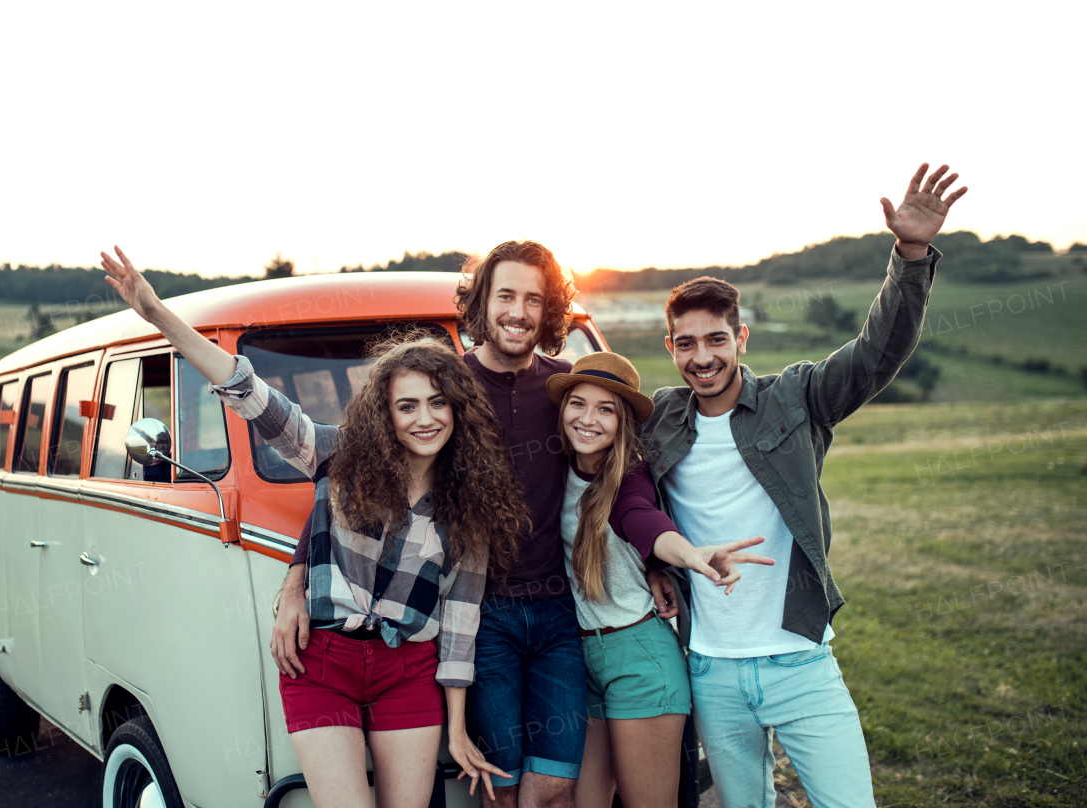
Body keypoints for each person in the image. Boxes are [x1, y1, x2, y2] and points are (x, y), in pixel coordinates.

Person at [98, 247, 525, 806]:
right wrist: (156, 313)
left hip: (408, 669)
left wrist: (459, 727)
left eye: (438, 403)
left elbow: (461, 623)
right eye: (408, 406)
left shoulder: (470, 503)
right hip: (322, 660)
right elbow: (251, 395)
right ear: (385, 412)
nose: (425, 419)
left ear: (457, 409)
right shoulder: (338, 455)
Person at [640, 163, 969, 808]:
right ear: (671, 348)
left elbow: (879, 351)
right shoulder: (661, 421)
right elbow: (619, 499)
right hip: (710, 667)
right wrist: (653, 565)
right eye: (686, 344)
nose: (702, 357)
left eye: (716, 339)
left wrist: (909, 255)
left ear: (741, 337)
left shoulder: (796, 398)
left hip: (800, 659)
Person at [275, 240, 588, 807]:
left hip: (552, 608)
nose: (518, 311)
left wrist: (662, 556)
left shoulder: (568, 388)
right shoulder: (444, 383)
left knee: (555, 784)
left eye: (534, 300)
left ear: (550, 312)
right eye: (506, 296)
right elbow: (339, 485)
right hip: (474, 614)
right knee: (499, 784)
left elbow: (616, 469)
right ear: (482, 303)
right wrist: (297, 576)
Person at [546, 352, 774, 808]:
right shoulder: (554, 472)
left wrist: (688, 555)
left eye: (606, 409)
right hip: (581, 658)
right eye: (578, 404)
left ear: (623, 423)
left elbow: (642, 520)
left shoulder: (627, 479)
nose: (588, 419)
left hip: (640, 661)